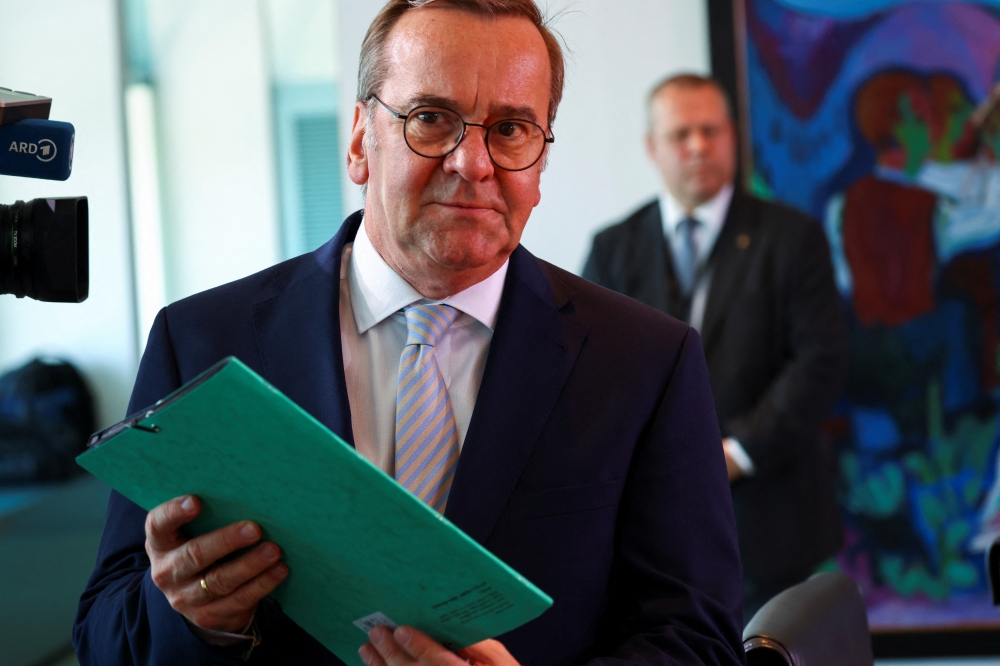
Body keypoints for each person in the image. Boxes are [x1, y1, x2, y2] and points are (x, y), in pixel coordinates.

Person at [74, 5, 745, 665]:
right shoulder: (199, 342)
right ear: (361, 139)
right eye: (431, 119)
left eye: (511, 129)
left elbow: (698, 638)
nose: (473, 163)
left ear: (540, 162)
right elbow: (105, 635)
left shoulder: (645, 363)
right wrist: (191, 618)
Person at [583, 74, 848, 621]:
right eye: (682, 133)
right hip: (644, 526)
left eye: (711, 130)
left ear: (732, 136)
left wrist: (735, 454)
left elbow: (820, 362)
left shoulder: (793, 237)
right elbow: (585, 371)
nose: (699, 146)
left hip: (770, 517)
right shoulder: (613, 247)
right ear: (652, 148)